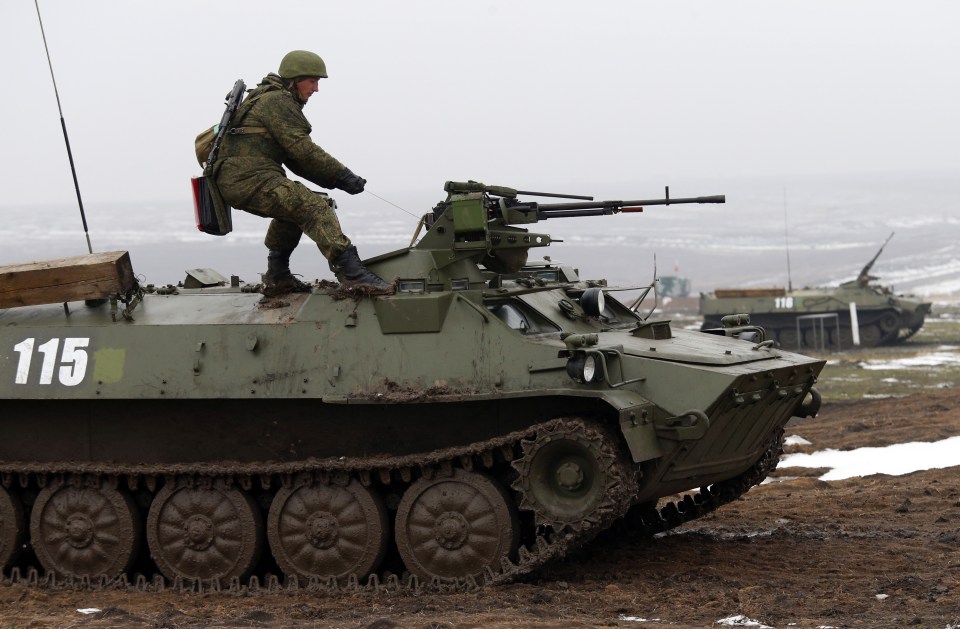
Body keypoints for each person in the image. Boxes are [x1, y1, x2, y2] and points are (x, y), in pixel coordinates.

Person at [214, 50, 392, 296]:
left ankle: (277, 276)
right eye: (312, 81)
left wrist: (337, 180)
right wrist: (343, 175)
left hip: (243, 179)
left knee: (294, 207)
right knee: (313, 206)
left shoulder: (268, 99)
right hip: (247, 180)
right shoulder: (277, 101)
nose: (316, 89)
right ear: (294, 80)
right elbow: (304, 151)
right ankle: (354, 275)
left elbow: (296, 159)